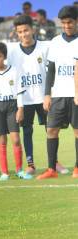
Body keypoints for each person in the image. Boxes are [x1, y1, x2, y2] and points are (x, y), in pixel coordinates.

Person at [0, 42, 31, 181]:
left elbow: (19, 92)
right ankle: (4, 172)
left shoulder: (14, 70)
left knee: (15, 139)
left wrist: (20, 109)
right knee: (2, 140)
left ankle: (19, 170)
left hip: (12, 106)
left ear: (4, 57)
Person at [37, 6, 78, 180]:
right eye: (64, 23)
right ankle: (51, 169)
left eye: (70, 22)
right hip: (59, 95)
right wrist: (47, 94)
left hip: (76, 95)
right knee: (51, 130)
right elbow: (51, 71)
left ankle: (77, 168)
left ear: (76, 22)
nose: (67, 26)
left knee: (77, 131)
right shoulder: (54, 42)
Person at [8, 15, 50, 174]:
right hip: (24, 100)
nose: (24, 34)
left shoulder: (44, 47)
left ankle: (54, 162)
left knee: (51, 129)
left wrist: (49, 94)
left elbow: (50, 72)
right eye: (20, 32)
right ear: (17, 33)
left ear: (32, 29)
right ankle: (30, 163)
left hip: (43, 97)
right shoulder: (12, 53)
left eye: (26, 30)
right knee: (27, 131)